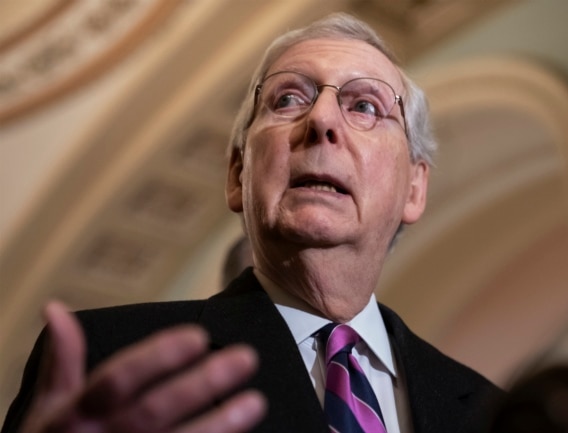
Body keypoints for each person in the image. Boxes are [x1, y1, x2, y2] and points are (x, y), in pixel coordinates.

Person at [2, 13, 503, 433]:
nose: (322, 120)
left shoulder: (492, 415)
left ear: (415, 188)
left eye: (365, 106)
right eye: (288, 99)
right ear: (238, 173)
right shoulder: (110, 362)